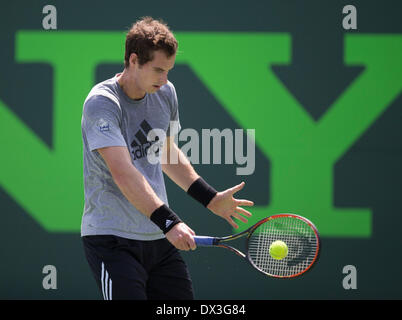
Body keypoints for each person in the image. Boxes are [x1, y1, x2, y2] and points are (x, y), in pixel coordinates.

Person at [80, 16, 254, 300]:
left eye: (168, 71)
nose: (164, 80)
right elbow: (123, 172)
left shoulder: (165, 93)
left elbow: (166, 153)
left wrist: (209, 198)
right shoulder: (102, 102)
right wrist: (171, 223)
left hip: (159, 242)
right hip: (113, 241)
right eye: (158, 70)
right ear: (134, 60)